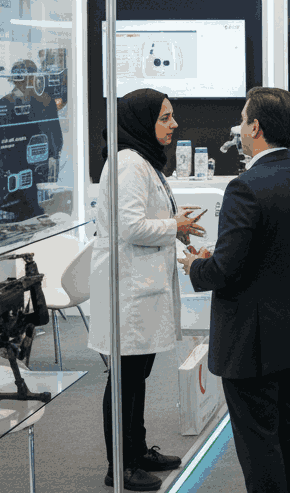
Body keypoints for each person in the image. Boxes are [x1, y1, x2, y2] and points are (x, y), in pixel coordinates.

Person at [181, 87, 290, 493]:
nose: (240, 128)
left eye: (243, 120)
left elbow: (223, 271)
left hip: (250, 338)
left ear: (256, 127)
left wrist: (195, 265)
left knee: (258, 442)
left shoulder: (245, 187)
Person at [89, 90, 205, 492]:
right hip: (127, 290)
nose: (174, 124)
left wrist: (175, 223)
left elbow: (142, 218)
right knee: (124, 381)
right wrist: (175, 226)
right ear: (141, 122)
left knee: (137, 377)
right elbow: (130, 227)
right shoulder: (128, 164)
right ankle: (119, 466)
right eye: (164, 117)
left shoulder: (141, 161)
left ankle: (137, 451)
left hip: (140, 287)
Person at [0, 59, 63, 223]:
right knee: (28, 213)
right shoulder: (45, 101)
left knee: (23, 214)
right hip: (28, 170)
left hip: (21, 170)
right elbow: (56, 138)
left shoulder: (6, 102)